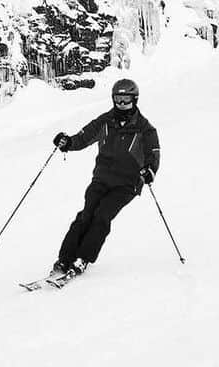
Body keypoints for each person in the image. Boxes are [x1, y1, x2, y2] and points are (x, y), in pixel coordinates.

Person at [45, 77, 160, 284]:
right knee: (86, 215)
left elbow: (153, 153)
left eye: (126, 100)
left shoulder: (145, 128)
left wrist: (149, 170)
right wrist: (67, 142)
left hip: (126, 184)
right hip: (101, 178)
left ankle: (82, 258)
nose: (122, 104)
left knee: (102, 215)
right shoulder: (105, 121)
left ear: (135, 100)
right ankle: (64, 259)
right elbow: (83, 137)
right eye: (118, 99)